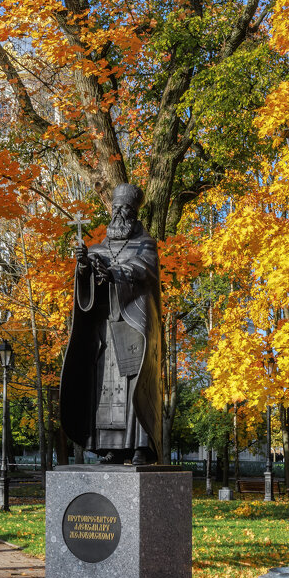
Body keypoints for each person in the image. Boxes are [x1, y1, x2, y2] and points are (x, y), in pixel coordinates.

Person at [60, 183, 163, 465]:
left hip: (132, 324)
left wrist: (115, 272)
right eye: (116, 208)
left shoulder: (145, 245)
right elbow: (87, 285)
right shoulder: (96, 249)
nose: (119, 214)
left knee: (134, 383)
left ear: (134, 213)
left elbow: (145, 269)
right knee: (104, 386)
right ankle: (111, 447)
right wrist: (83, 267)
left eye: (125, 209)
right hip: (104, 329)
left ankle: (141, 446)